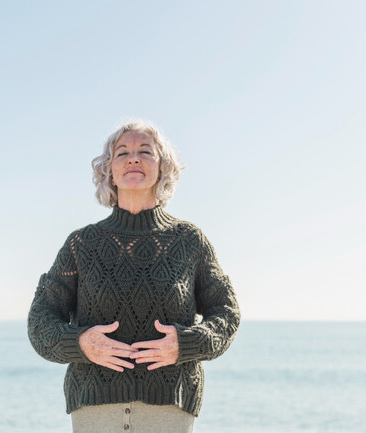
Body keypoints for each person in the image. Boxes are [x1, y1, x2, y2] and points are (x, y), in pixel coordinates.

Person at [27, 119, 240, 433]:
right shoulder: (81, 244)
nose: (133, 159)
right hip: (94, 406)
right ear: (109, 171)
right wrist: (81, 342)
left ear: (162, 166)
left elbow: (226, 314)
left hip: (170, 407)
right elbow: (40, 321)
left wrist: (186, 344)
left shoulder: (189, 241)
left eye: (145, 151)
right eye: (122, 153)